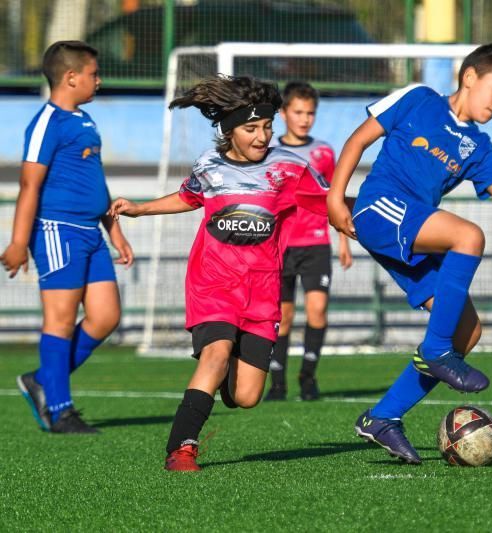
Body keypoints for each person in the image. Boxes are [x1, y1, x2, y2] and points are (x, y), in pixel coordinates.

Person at [327, 43, 492, 464]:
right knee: (469, 237)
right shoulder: (419, 99)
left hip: (414, 227)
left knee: (467, 330)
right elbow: (358, 140)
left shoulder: (478, 146)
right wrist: (336, 198)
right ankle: (437, 352)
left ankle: (383, 418)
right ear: (469, 77)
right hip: (378, 208)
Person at [108, 75, 328, 471]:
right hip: (214, 283)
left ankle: (228, 371)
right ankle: (182, 448)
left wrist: (372, 217)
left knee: (246, 397)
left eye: (267, 127)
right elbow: (187, 196)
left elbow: (330, 203)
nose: (262, 136)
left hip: (262, 291)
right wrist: (140, 209)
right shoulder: (209, 167)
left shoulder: (291, 169)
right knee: (215, 352)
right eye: (251, 128)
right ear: (229, 131)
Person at [1, 41, 134, 434]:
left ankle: (43, 379)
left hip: (92, 233)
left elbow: (96, 182)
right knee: (59, 320)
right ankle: (60, 410)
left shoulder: (86, 122)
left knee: (106, 316)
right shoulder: (47, 122)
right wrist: (18, 241)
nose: (99, 80)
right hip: (57, 231)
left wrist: (116, 231)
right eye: (94, 73)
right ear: (70, 77)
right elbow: (29, 185)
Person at [264, 81, 352, 402]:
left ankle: (308, 376)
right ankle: (277, 382)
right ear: (283, 113)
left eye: (310, 113)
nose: (304, 119)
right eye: (298, 112)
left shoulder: (323, 152)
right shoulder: (270, 152)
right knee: (283, 316)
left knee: (317, 311)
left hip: (316, 243)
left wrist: (344, 240)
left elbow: (334, 198)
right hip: (280, 246)